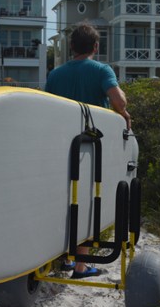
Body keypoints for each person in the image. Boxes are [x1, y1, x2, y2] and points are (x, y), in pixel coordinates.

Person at [45, 22, 131, 278]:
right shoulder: (101, 70)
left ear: (71, 46)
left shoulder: (55, 74)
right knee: (88, 203)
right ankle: (80, 266)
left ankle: (68, 258)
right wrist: (124, 110)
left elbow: (48, 107)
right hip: (91, 150)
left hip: (61, 147)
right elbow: (119, 101)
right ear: (96, 46)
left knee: (66, 201)